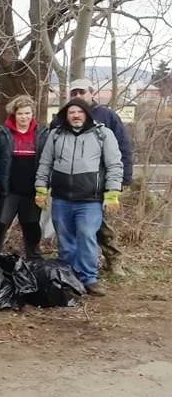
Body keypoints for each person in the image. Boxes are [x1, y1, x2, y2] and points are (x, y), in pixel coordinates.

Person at [35, 98, 123, 296]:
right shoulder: (56, 135)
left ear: (87, 114)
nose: (76, 115)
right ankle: (68, 276)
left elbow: (114, 165)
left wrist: (112, 193)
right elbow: (45, 163)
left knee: (86, 235)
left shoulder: (103, 134)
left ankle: (88, 278)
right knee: (65, 238)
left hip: (90, 199)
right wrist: (41, 188)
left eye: (80, 112)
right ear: (66, 116)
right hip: (61, 198)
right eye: (71, 112)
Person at [54, 79, 135, 276]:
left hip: (101, 183)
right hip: (69, 187)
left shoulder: (106, 116)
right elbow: (51, 150)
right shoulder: (62, 118)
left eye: (82, 92)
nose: (78, 96)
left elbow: (122, 148)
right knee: (73, 229)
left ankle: (113, 260)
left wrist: (123, 180)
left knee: (102, 226)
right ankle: (71, 269)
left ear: (92, 92)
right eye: (74, 93)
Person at [0, 95, 49, 256]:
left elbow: (48, 161)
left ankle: (34, 263)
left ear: (32, 114)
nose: (24, 117)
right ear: (14, 114)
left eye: (27, 113)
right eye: (20, 113)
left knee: (32, 230)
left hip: (31, 192)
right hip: (8, 192)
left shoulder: (43, 134)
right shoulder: (1, 135)